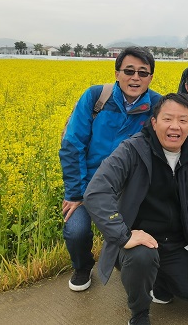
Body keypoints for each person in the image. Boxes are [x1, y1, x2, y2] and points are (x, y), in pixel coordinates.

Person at [83, 94, 188, 325]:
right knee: (142, 258)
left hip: (175, 243)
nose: (175, 126)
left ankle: (157, 281)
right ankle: (139, 313)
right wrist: (123, 235)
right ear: (154, 123)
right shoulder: (132, 149)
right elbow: (96, 192)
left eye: (182, 120)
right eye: (168, 119)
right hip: (138, 241)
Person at [59, 46, 161, 292]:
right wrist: (76, 193)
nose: (135, 78)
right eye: (129, 71)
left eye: (142, 72)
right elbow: (73, 144)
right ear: (117, 74)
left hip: (130, 190)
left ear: (150, 77)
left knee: (146, 231)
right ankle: (83, 267)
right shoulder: (97, 97)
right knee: (76, 230)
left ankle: (129, 266)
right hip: (90, 186)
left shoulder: (157, 105)